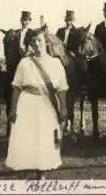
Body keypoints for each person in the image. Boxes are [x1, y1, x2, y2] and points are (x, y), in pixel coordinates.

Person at [5, 28, 69, 180]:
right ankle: (25, 168)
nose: (36, 44)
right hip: (26, 103)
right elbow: (16, 87)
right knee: (26, 137)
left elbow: (61, 88)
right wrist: (13, 109)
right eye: (33, 41)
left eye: (39, 40)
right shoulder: (24, 63)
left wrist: (64, 107)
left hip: (47, 104)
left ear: (46, 42)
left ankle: (42, 171)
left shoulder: (55, 63)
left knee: (44, 137)